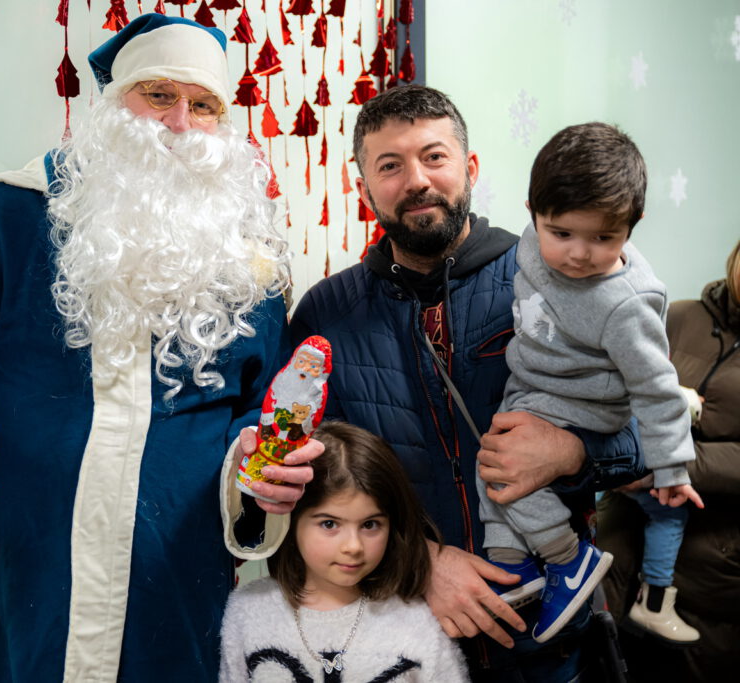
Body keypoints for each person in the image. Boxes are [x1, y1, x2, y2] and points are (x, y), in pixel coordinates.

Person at [0, 14, 322, 682]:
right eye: (159, 95)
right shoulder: (4, 220)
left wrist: (259, 470)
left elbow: (256, 416)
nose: (181, 124)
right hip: (13, 587)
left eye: (203, 105)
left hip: (171, 602)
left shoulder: (245, 267)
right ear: (112, 108)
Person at [289, 85, 645, 681]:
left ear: (469, 168)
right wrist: (418, 562)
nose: (416, 180)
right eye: (390, 165)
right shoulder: (325, 315)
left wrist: (570, 450)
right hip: (399, 644)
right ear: (363, 186)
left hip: (551, 644)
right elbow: (305, 478)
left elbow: (639, 442)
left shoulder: (557, 280)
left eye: (434, 157)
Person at [475, 122, 703, 646]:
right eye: (562, 234)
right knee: (494, 464)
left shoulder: (626, 305)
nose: (579, 253)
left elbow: (657, 388)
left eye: (604, 238)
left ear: (633, 225)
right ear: (533, 210)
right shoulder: (533, 239)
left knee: (501, 465)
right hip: (532, 382)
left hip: (585, 400)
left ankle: (566, 558)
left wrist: (671, 467)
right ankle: (516, 565)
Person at [219, 421, 470, 682]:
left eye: (370, 525)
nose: (353, 546)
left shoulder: (418, 623)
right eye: (329, 524)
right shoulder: (248, 610)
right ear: (291, 521)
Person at [598, 239, 740, 681]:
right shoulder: (678, 315)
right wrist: (620, 455)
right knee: (605, 657)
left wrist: (662, 464)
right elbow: (622, 388)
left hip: (710, 559)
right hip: (623, 534)